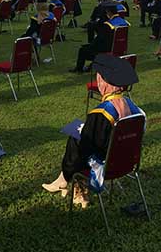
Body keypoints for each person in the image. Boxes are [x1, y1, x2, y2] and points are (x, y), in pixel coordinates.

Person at [43, 55, 143, 208]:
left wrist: (80, 133)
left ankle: (67, 182)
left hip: (106, 167)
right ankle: (64, 181)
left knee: (75, 139)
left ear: (104, 82)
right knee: (80, 135)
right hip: (127, 163)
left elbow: (88, 148)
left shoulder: (102, 113)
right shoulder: (134, 108)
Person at [70, 3, 128, 73]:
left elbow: (100, 41)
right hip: (120, 49)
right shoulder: (124, 22)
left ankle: (79, 69)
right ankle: (92, 66)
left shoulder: (108, 25)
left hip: (107, 51)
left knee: (83, 50)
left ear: (108, 12)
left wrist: (90, 45)